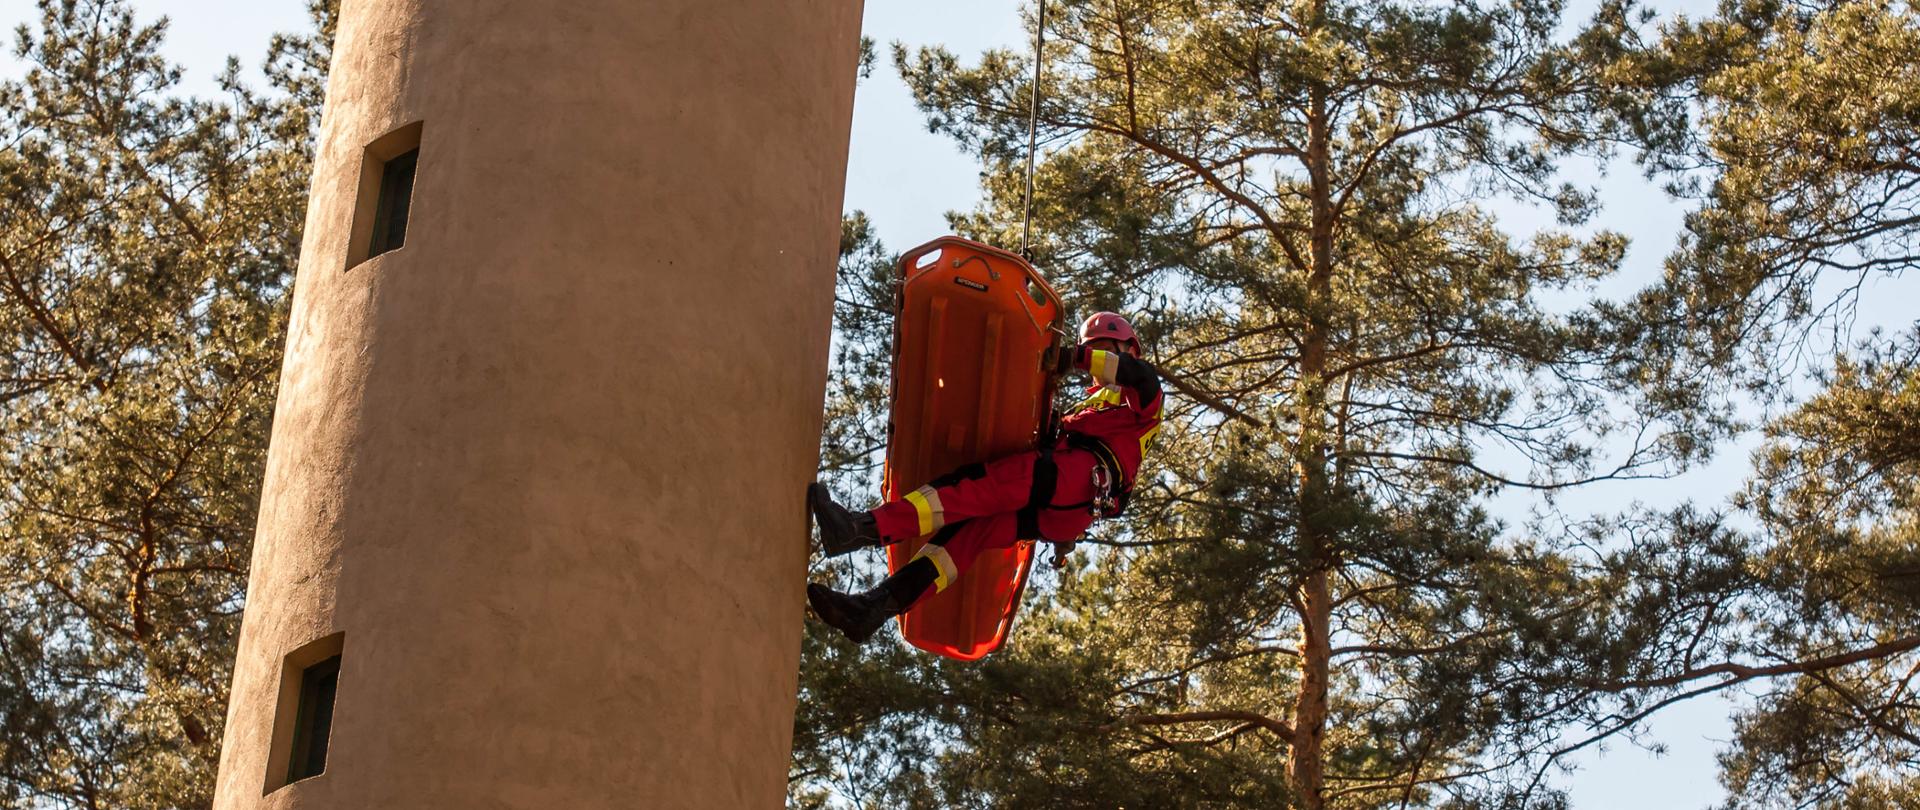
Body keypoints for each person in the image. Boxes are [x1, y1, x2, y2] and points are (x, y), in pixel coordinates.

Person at [805, 311, 1164, 643]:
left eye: (1105, 351)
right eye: (1093, 350)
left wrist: (1075, 357)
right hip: (1061, 509)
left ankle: (858, 529)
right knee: (966, 534)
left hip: (1075, 479)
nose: (1099, 362)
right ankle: (872, 608)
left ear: (1127, 351)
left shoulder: (1145, 400)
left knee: (972, 486)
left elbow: (1137, 375)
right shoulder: (1087, 410)